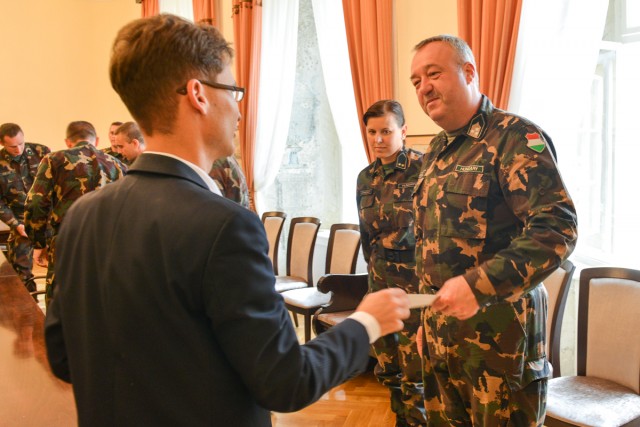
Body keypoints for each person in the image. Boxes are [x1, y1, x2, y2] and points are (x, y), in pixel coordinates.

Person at [43, 14, 411, 427]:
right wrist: (366, 322)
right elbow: (287, 381)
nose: (239, 108)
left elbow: (63, 356)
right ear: (198, 95)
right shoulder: (224, 226)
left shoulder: (82, 216)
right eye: (234, 90)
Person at [409, 35, 578, 426]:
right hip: (440, 338)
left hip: (501, 346)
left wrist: (478, 286)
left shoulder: (515, 137)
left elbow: (556, 228)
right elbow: (429, 244)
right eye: (416, 81)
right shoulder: (435, 150)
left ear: (469, 72)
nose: (424, 87)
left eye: (433, 74)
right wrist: (426, 322)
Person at [356, 100, 425, 427]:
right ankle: (401, 417)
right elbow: (365, 233)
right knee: (387, 360)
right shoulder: (365, 178)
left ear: (403, 131)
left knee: (416, 364)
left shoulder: (424, 169)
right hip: (380, 279)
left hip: (415, 282)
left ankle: (418, 421)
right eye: (372, 132)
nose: (378, 139)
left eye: (386, 131)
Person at [24, 120, 126, 305]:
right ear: (97, 140)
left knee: (60, 299)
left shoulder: (54, 160)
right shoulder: (117, 164)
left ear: (68, 142)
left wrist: (38, 242)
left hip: (66, 238)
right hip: (106, 242)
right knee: (101, 298)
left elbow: (36, 202)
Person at [0, 123, 50, 285]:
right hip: (20, 220)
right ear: (2, 143)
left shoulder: (42, 152)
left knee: (62, 265)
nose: (18, 149)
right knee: (20, 270)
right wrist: (16, 225)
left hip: (48, 216)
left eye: (21, 143)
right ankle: (28, 300)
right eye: (13, 146)